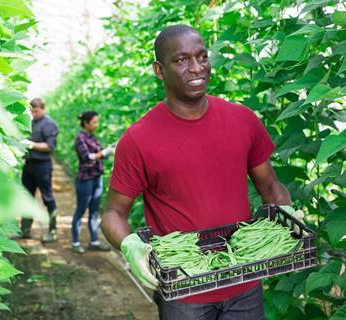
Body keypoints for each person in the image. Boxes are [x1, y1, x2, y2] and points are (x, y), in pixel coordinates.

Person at [101, 25, 294, 320]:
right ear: (159, 69)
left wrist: (287, 213)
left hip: (244, 281)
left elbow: (269, 186)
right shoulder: (139, 139)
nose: (196, 68)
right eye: (181, 60)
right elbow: (113, 213)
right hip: (184, 289)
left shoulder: (242, 120)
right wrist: (131, 246)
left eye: (202, 57)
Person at [71, 111, 115, 254]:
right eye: (94, 122)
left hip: (97, 177)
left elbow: (99, 154)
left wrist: (108, 149)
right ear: (86, 122)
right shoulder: (80, 138)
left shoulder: (93, 138)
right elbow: (87, 157)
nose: (97, 125)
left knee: (94, 212)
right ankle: (75, 242)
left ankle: (94, 241)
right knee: (81, 210)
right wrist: (104, 153)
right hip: (85, 179)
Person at [20, 98, 59, 242]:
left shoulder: (49, 124)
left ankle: (52, 231)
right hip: (29, 165)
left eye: (36, 111)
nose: (34, 114)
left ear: (43, 109)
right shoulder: (31, 122)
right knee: (27, 198)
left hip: (42, 166)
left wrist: (31, 145)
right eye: (32, 111)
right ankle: (25, 230)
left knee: (47, 197)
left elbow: (50, 146)